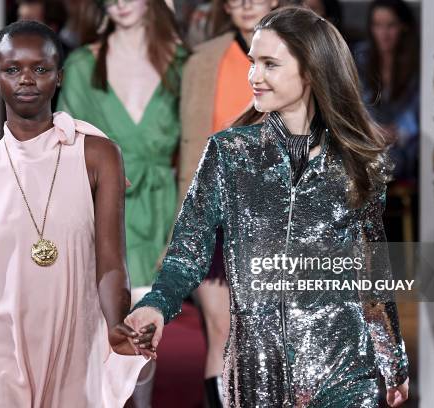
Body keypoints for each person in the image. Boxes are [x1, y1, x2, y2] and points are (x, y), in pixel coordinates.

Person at [126, 6, 410, 407]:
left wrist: (393, 361)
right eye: (252, 63)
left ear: (310, 71)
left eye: (270, 64)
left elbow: (371, 274)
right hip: (258, 374)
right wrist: (156, 305)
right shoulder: (228, 153)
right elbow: (188, 251)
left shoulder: (355, 163)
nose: (254, 77)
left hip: (346, 371)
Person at [0, 21, 155, 408]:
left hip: (74, 343)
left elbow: (111, 264)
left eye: (41, 68)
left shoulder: (97, 156)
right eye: (13, 69)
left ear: (59, 77)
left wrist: (116, 321)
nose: (27, 79)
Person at [57, 0, 186, 405]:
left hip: (163, 212)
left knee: (145, 331)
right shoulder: (80, 66)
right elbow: (62, 150)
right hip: (101, 214)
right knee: (99, 335)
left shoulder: (184, 64)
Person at [178, 0, 289, 405]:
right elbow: (190, 147)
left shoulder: (301, 51)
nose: (245, 3)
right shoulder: (202, 61)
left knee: (272, 332)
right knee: (221, 328)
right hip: (216, 215)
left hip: (278, 219)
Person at [353, 0, 419, 183]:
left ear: (404, 27)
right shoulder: (360, 57)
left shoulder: (417, 62)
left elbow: (419, 108)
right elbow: (354, 102)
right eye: (377, 25)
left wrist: (399, 132)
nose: (384, 34)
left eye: (391, 26)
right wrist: (372, 129)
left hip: (405, 143)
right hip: (367, 137)